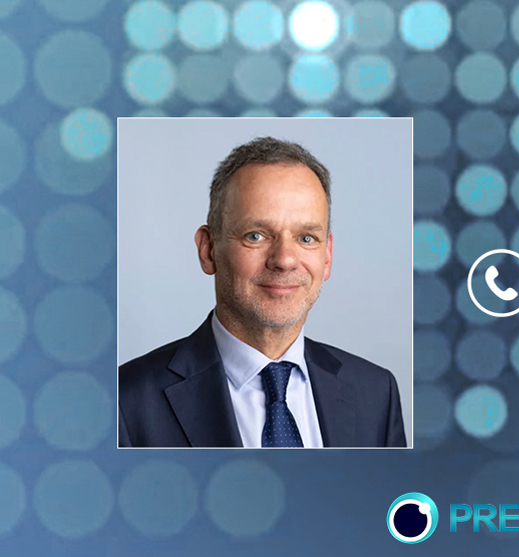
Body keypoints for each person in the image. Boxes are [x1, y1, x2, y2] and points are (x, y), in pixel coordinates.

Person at [119, 136, 406, 448]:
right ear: (209, 249)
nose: (284, 260)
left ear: (327, 256)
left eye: (307, 238)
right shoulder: (124, 402)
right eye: (255, 235)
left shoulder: (376, 394)